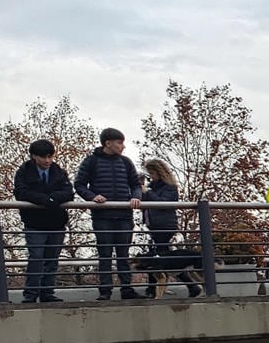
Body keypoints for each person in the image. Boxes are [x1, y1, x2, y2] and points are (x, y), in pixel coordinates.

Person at [76, 127, 145, 299]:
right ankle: (105, 291)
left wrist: (135, 198)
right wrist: (93, 197)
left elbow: (136, 184)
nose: (123, 146)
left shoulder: (126, 162)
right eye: (120, 142)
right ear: (108, 143)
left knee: (123, 254)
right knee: (105, 254)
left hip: (124, 215)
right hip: (102, 216)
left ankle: (126, 289)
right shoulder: (91, 162)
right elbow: (79, 185)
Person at [13, 138, 75, 303]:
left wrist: (53, 198)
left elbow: (69, 191)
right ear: (34, 156)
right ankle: (31, 294)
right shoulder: (24, 171)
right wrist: (45, 200)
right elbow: (21, 192)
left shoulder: (58, 171)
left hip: (56, 222)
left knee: (52, 259)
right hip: (35, 223)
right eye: (43, 157)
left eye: (50, 156)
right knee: (36, 258)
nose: (47, 160)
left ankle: (47, 292)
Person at [141, 157, 199, 297]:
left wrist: (147, 193)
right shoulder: (153, 187)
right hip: (154, 226)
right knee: (162, 258)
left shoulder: (169, 187)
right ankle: (191, 286)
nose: (151, 177)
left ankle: (152, 289)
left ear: (159, 173)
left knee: (156, 258)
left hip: (164, 226)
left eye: (152, 174)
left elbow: (164, 203)